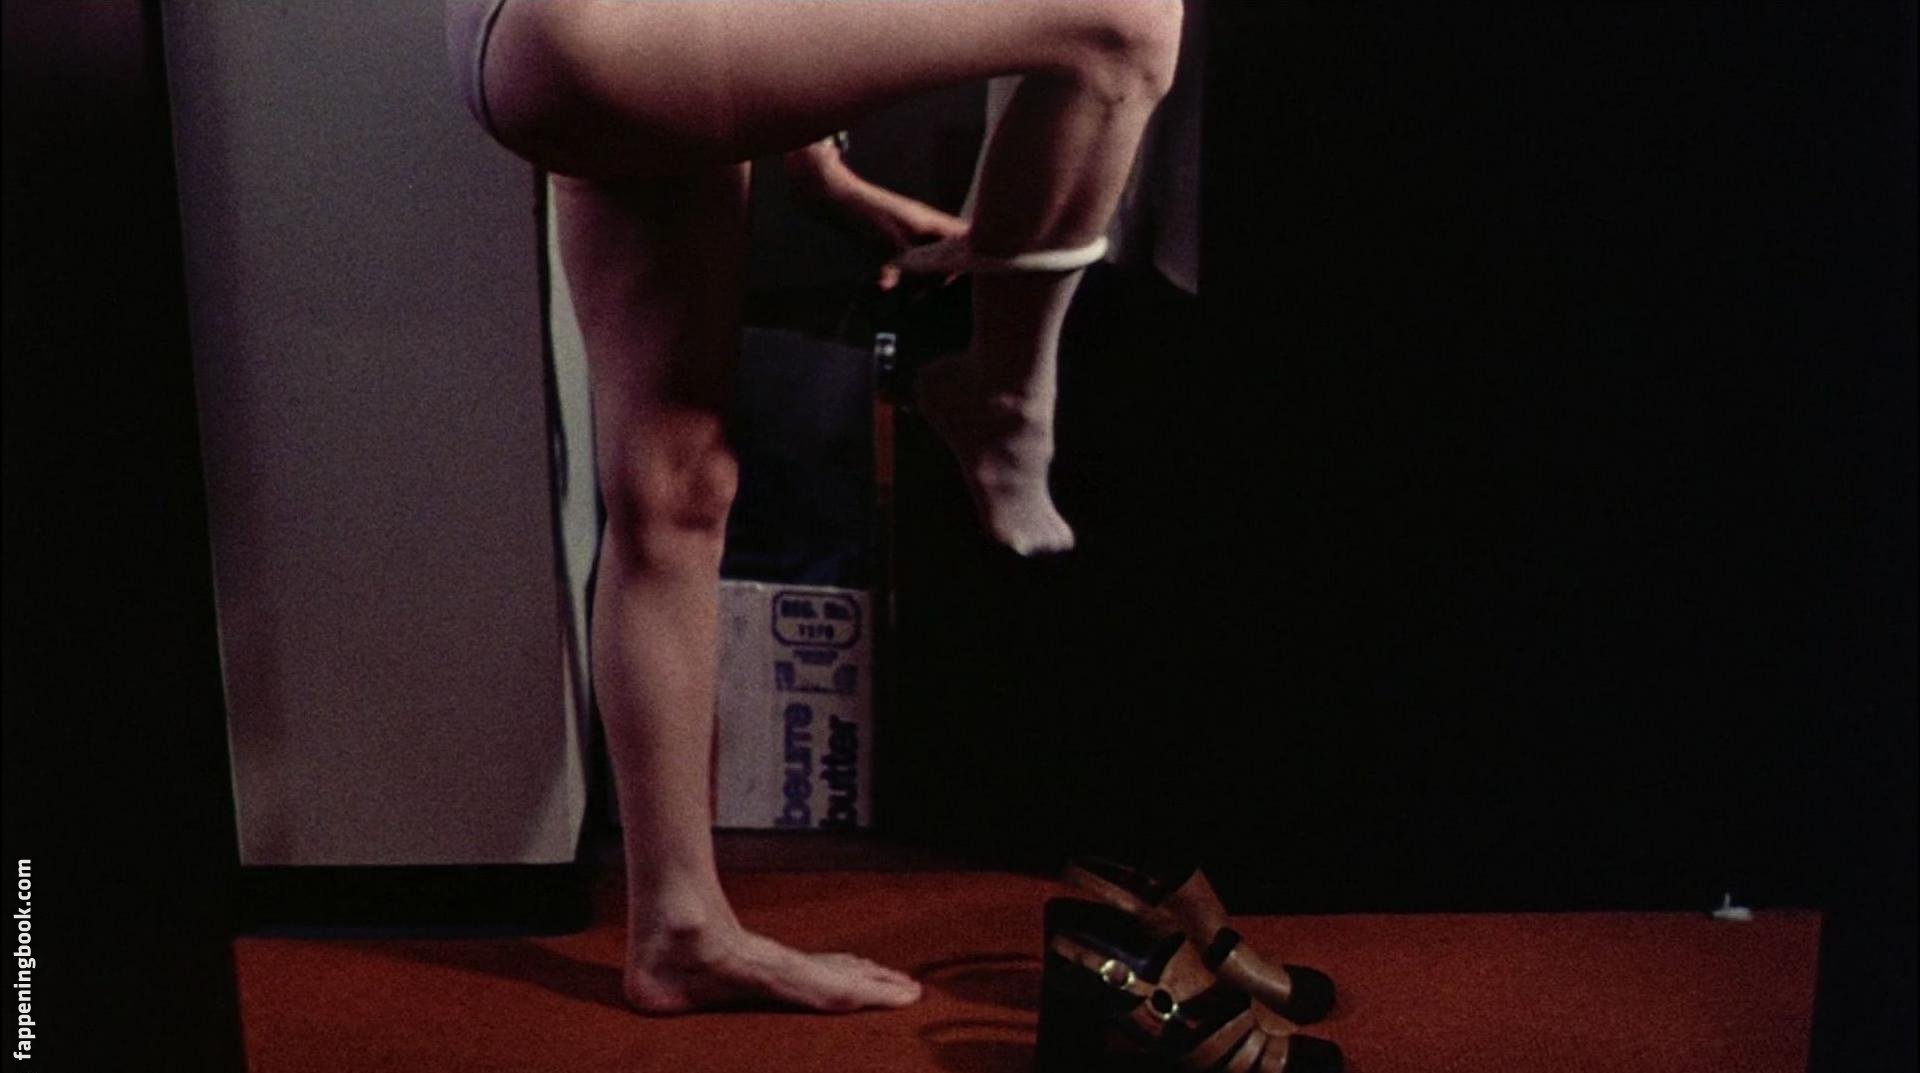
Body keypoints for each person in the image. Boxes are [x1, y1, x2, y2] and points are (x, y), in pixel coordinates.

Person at [447, 0, 1183, 1015]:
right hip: (594, 33)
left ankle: (678, 930)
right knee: (1126, 23)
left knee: (675, 487)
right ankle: (1002, 398)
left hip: (547, 48)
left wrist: (821, 175)